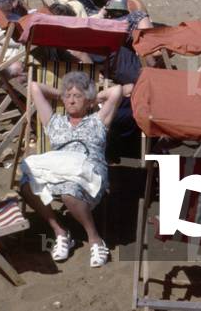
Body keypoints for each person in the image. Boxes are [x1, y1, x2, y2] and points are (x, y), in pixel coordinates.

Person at [19, 73, 123, 267]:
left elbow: (116, 91)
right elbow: (34, 87)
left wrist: (93, 99)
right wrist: (64, 94)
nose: (71, 100)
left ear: (89, 101)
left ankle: (95, 239)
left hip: (89, 173)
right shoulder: (55, 121)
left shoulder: (97, 121)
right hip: (58, 170)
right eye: (68, 96)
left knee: (69, 190)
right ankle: (60, 231)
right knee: (26, 185)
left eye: (77, 96)